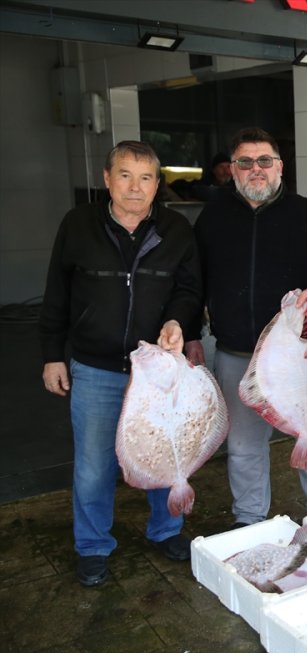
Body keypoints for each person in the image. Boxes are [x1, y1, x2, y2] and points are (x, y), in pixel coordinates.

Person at [39, 140, 203, 587]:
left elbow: (189, 290)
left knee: (162, 453)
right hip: (95, 368)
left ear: (157, 184)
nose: (135, 187)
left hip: (156, 369)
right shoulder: (78, 225)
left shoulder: (176, 229)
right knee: (94, 465)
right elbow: (56, 292)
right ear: (107, 179)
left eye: (146, 177)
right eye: (125, 175)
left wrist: (177, 321)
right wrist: (52, 354)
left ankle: (166, 530)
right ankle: (93, 545)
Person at [184, 128, 307, 529]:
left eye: (264, 161)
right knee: (243, 446)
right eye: (245, 162)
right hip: (236, 352)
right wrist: (191, 333)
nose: (255, 169)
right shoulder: (213, 218)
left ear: (280, 167)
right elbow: (192, 282)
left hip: (299, 354)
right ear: (232, 170)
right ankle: (249, 521)